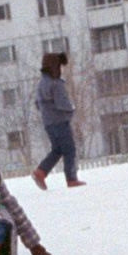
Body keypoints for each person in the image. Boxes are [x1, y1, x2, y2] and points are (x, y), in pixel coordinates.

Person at [31, 51, 85, 189]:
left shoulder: (41, 83)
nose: (62, 69)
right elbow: (63, 103)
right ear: (55, 66)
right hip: (60, 122)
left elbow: (37, 104)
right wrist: (71, 109)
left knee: (57, 149)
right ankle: (71, 179)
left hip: (48, 123)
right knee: (69, 150)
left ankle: (41, 172)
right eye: (60, 66)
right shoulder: (56, 84)